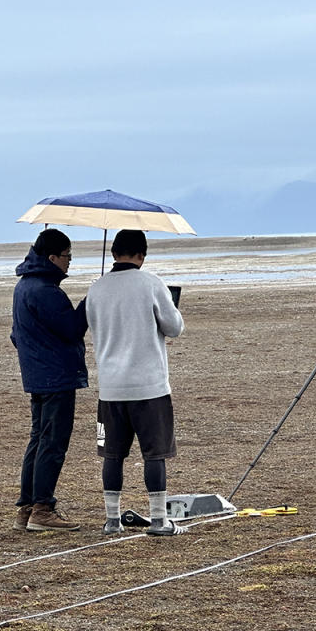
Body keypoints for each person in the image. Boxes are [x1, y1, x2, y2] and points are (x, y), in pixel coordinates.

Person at [84, 229, 186, 536]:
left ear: (114, 253)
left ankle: (112, 519)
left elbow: (92, 324)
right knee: (155, 454)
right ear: (142, 255)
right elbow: (174, 326)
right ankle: (158, 519)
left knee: (112, 454)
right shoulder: (152, 283)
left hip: (111, 387)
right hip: (150, 386)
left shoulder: (96, 289)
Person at [10, 228, 86, 531]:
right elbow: (72, 329)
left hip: (38, 375)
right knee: (52, 443)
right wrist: (89, 304)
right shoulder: (46, 291)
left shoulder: (25, 287)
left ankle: (27, 507)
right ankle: (42, 507)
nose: (70, 263)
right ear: (52, 257)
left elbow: (16, 336)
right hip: (56, 378)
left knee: (38, 439)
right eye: (67, 256)